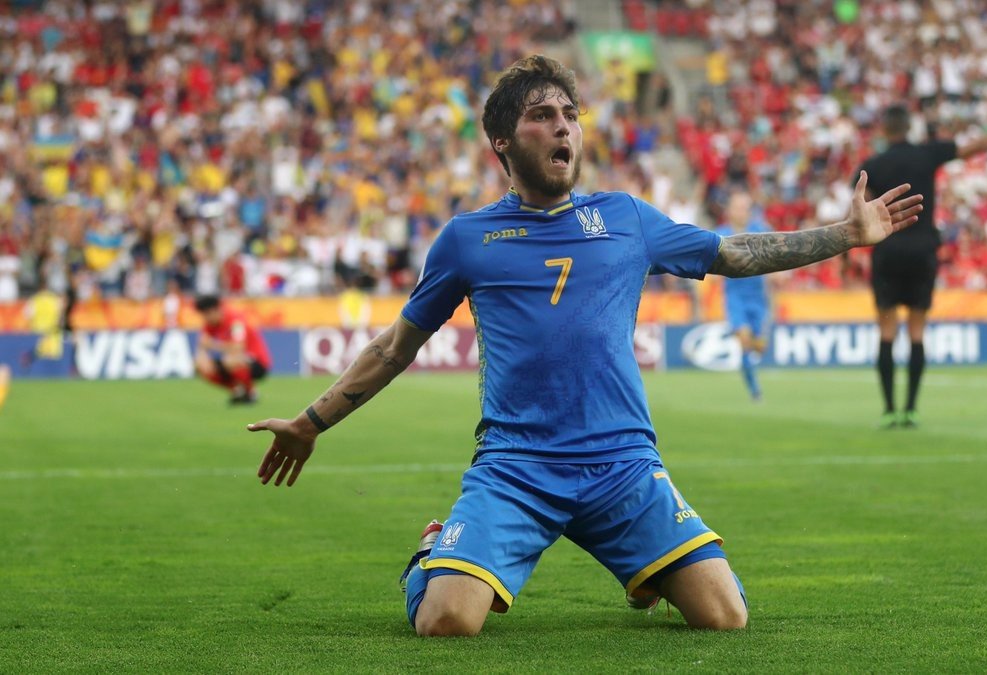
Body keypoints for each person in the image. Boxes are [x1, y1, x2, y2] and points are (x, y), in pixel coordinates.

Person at [247, 55, 922, 637]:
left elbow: (733, 252)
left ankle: (647, 568)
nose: (564, 126)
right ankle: (434, 551)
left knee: (725, 616)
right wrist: (310, 423)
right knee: (446, 622)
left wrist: (844, 235)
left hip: (622, 463)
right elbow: (395, 347)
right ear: (502, 141)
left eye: (570, 114)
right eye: (542, 115)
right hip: (517, 466)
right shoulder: (465, 239)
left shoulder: (625, 217)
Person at [857, 103, 987, 429]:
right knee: (917, 330)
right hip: (923, 249)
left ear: (884, 130)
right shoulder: (927, 154)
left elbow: (861, 211)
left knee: (887, 331)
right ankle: (910, 410)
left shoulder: (872, 165)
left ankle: (888, 410)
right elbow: (975, 146)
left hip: (887, 250)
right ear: (909, 127)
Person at [714, 191, 770, 401]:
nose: (742, 212)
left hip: (758, 297)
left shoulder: (760, 231)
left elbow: (777, 256)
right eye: (738, 207)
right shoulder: (721, 234)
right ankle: (755, 390)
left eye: (745, 208)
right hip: (735, 297)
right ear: (729, 211)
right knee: (744, 340)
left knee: (759, 347)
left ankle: (751, 372)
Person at [194, 294, 272, 405]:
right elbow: (202, 346)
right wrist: (201, 359)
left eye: (206, 314)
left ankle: (251, 392)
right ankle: (237, 391)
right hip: (231, 360)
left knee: (230, 360)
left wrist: (213, 345)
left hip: (256, 361)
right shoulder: (209, 325)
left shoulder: (235, 320)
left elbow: (238, 347)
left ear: (215, 310)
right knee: (201, 365)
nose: (205, 318)